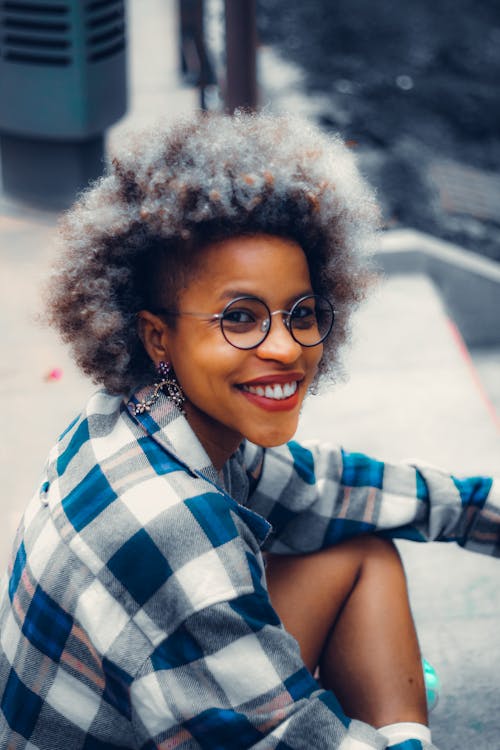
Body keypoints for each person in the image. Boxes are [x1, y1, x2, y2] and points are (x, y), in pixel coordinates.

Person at [0, 111, 498, 750]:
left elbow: (331, 488)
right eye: (240, 318)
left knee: (360, 548)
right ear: (158, 336)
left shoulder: (154, 416)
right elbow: (291, 737)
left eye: (302, 312)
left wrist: (486, 512)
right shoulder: (171, 527)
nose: (287, 349)